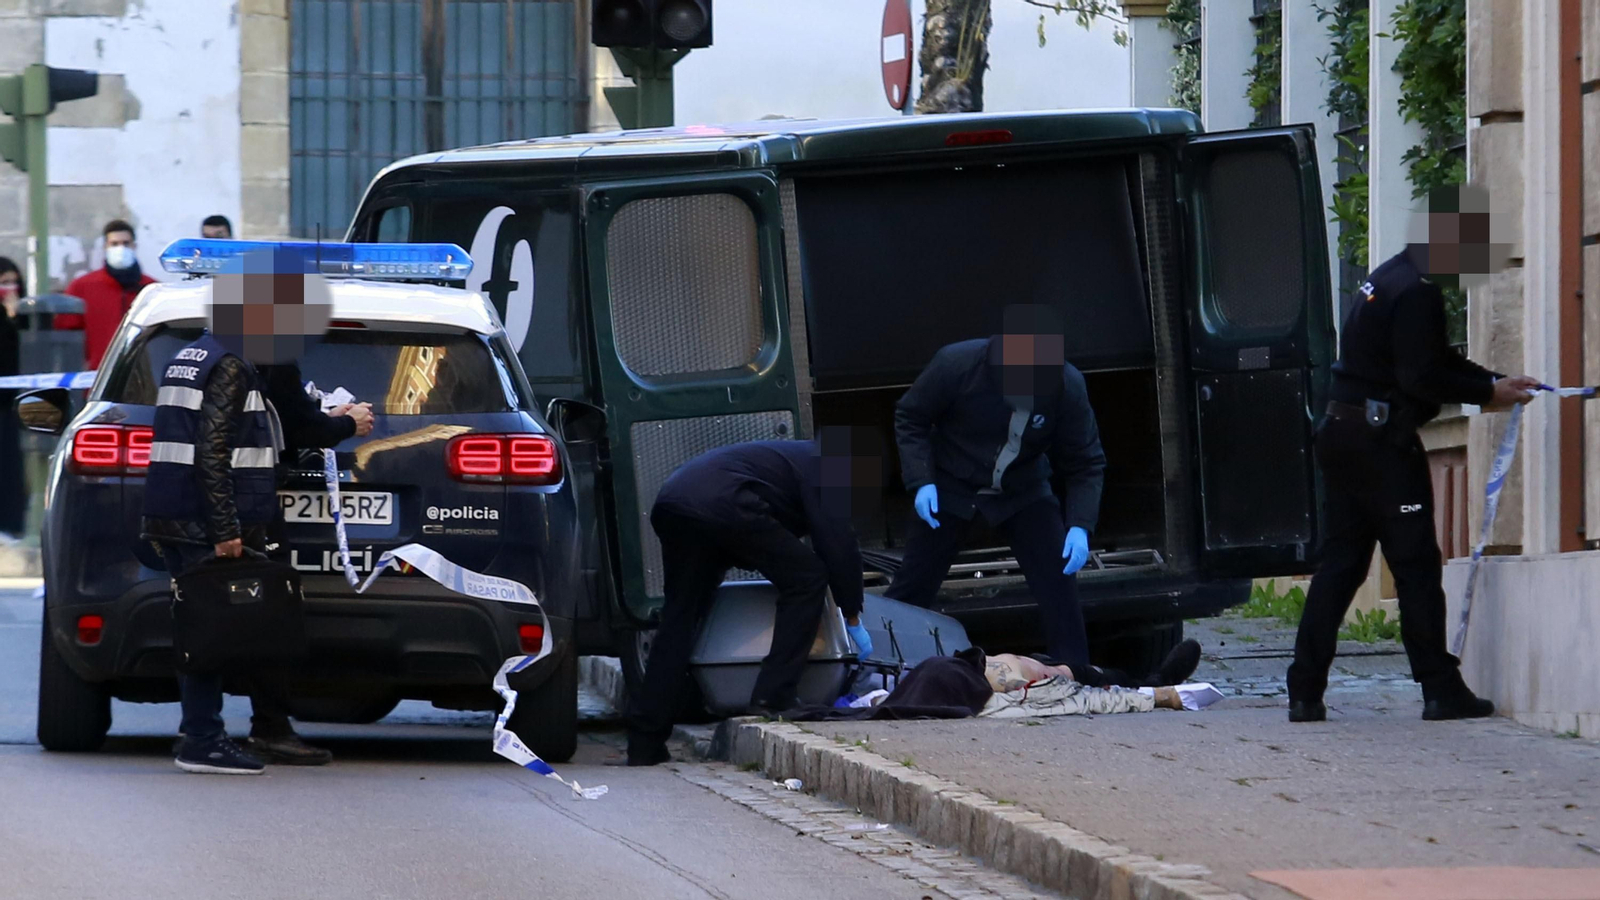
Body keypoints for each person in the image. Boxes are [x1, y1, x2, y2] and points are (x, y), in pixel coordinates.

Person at [1286, 187, 1541, 724]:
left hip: (1342, 434)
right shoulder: (1417, 291)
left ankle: (1304, 690)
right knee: (1416, 568)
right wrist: (1486, 393)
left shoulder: (1389, 277)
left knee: (1341, 564)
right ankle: (1440, 688)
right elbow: (1421, 375)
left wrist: (1493, 382)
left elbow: (1430, 358)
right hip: (1380, 446)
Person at [887, 305, 1199, 688]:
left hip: (1023, 488)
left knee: (1059, 578)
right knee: (913, 584)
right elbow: (911, 416)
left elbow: (1086, 461)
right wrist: (922, 481)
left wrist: (1080, 526)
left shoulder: (1066, 385)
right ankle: (879, 668)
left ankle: (1076, 678)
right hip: (951, 483)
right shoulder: (957, 364)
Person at [141, 246, 356, 774]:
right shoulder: (233, 364)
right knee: (208, 630)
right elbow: (213, 453)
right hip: (202, 522)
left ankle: (209, 735)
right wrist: (226, 531)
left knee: (201, 625)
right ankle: (202, 740)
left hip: (179, 516)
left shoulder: (194, 353)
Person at [626, 433, 879, 766]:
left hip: (676, 502)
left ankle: (645, 742)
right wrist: (852, 614)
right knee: (807, 578)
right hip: (723, 503)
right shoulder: (830, 465)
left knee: (680, 618)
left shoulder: (793, 457)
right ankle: (774, 696)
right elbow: (837, 543)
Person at [55, 220, 156, 370]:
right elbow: (64, 334)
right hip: (93, 377)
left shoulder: (152, 289)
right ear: (105, 247)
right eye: (114, 244)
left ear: (134, 246)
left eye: (126, 243)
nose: (120, 249)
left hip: (141, 376)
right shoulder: (82, 287)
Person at [0, 257, 27, 541]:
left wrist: (14, 319)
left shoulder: (22, 316)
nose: (10, 289)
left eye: (13, 282)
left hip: (13, 403)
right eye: (3, 282)